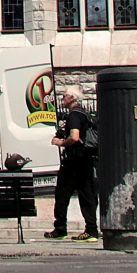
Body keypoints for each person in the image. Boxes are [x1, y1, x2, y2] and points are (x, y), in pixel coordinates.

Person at [46, 89, 99, 241]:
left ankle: (60, 228)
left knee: (62, 194)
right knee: (87, 195)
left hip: (74, 161)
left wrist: (61, 142)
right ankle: (91, 230)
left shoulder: (74, 115)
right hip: (86, 160)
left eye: (64, 96)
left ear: (71, 98)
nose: (62, 98)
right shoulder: (84, 114)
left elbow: (74, 137)